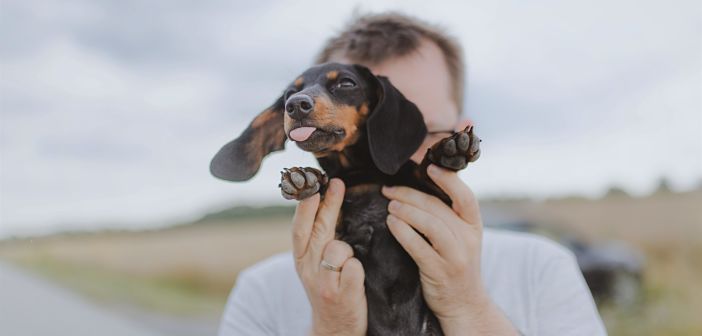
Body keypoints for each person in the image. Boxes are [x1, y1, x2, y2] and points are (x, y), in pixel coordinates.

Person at [218, 12, 607, 336]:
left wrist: (467, 307)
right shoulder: (260, 294)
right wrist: (332, 327)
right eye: (374, 133)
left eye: (419, 130)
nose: (391, 151)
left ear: (461, 135)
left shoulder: (541, 269)